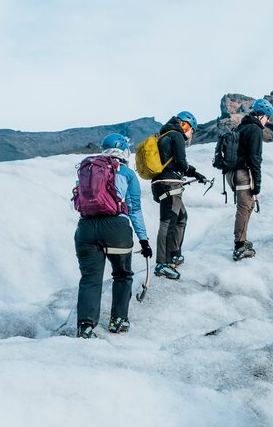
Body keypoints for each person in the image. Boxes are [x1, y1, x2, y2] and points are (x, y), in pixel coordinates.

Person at [74, 133, 151, 338]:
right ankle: (118, 321)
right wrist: (144, 240)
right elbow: (134, 209)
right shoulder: (126, 173)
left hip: (86, 229)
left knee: (90, 278)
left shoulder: (89, 170)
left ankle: (85, 326)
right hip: (116, 227)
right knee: (122, 274)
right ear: (124, 150)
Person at [152, 111, 208, 280]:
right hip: (170, 183)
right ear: (185, 124)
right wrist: (194, 172)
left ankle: (174, 254)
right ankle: (162, 263)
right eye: (192, 130)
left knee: (181, 217)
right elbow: (181, 164)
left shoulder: (165, 135)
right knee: (168, 222)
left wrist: (195, 173)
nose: (191, 134)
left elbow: (176, 162)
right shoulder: (176, 135)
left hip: (160, 183)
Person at [225, 97, 273, 261]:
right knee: (244, 208)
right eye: (268, 117)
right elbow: (255, 158)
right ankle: (239, 247)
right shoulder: (255, 129)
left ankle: (242, 239)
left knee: (247, 206)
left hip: (231, 173)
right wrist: (257, 184)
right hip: (242, 173)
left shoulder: (242, 127)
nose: (268, 120)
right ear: (262, 115)